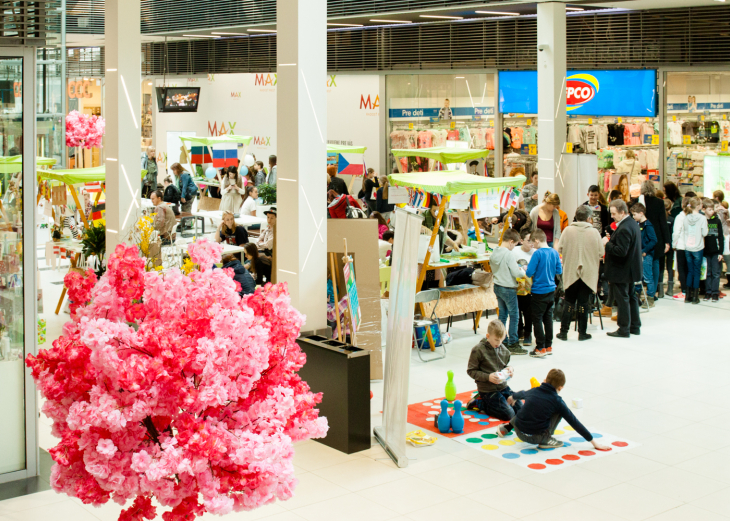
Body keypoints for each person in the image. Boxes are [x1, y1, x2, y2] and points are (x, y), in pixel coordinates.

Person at [497, 369, 610, 451]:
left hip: (518, 430)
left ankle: (507, 428)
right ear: (560, 388)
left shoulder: (534, 390)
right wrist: (594, 442)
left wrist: (512, 397)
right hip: (535, 438)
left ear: (545, 380)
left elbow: (521, 393)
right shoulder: (557, 401)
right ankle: (545, 440)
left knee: (530, 406)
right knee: (558, 410)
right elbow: (574, 422)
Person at [557, 205, 605, 341]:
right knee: (584, 304)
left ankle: (563, 332)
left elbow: (559, 248)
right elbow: (601, 252)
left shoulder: (567, 231)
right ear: (589, 218)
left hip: (571, 271)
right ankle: (582, 333)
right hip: (588, 273)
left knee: (569, 302)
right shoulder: (594, 232)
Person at [465, 320, 521, 421]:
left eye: (501, 340)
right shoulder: (478, 350)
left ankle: (495, 402)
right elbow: (471, 371)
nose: (499, 343)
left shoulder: (504, 350)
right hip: (488, 390)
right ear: (488, 336)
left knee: (521, 409)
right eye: (496, 340)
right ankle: (480, 403)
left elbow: (504, 366)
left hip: (503, 387)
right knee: (509, 414)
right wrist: (488, 377)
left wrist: (510, 369)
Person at [603, 199, 643, 338]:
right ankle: (634, 325)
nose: (612, 216)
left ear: (622, 212)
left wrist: (607, 244)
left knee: (623, 299)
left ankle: (624, 328)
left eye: (614, 213)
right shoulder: (632, 224)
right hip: (630, 269)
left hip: (622, 270)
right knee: (631, 297)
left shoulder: (625, 227)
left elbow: (621, 251)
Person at [490, 229, 528, 354]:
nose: (514, 247)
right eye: (515, 244)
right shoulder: (508, 254)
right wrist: (523, 270)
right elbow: (516, 273)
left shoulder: (494, 251)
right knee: (514, 315)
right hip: (508, 287)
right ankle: (513, 343)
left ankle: (502, 340)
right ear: (511, 242)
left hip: (498, 286)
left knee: (502, 315)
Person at [526, 229, 562, 357]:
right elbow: (559, 269)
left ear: (537, 240)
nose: (532, 245)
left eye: (532, 242)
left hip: (538, 291)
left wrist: (527, 268)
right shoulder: (554, 252)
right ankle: (548, 346)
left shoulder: (537, 254)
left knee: (537, 319)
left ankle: (540, 347)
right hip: (551, 290)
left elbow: (529, 272)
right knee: (548, 319)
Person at [639, 181, 670, 299]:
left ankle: (640, 290)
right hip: (656, 237)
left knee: (642, 264)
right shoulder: (659, 202)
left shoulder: (638, 201)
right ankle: (653, 291)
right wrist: (667, 241)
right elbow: (663, 223)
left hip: (642, 236)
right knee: (655, 263)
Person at [677, 197, 708, 305]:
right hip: (698, 247)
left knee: (689, 271)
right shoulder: (702, 218)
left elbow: (684, 231)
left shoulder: (686, 218)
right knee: (697, 271)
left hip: (687, 247)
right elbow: (704, 233)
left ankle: (688, 296)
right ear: (699, 206)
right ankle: (695, 296)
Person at [630, 203, 658, 307]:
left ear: (641, 214)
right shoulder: (637, 225)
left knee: (647, 277)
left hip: (646, 255)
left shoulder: (648, 225)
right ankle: (636, 296)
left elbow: (654, 240)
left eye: (634, 214)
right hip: (638, 255)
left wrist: (645, 250)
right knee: (638, 276)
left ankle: (650, 298)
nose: (633, 217)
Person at [514, 228, 535, 347]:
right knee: (517, 310)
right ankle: (519, 331)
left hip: (530, 288)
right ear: (521, 240)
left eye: (533, 240)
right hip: (516, 286)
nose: (531, 243)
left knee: (528, 311)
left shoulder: (535, 252)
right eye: (528, 240)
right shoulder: (515, 251)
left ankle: (528, 334)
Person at [703, 199, 725, 302]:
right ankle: (708, 291)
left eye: (713, 209)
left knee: (716, 273)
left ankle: (715, 292)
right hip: (705, 251)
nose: (712, 211)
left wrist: (721, 252)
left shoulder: (717, 221)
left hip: (716, 252)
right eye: (710, 209)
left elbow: (721, 237)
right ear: (704, 209)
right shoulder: (703, 220)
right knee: (708, 272)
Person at [663, 198, 676, 296]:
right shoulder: (672, 219)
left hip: (661, 245)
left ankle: (659, 290)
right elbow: (673, 233)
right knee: (669, 267)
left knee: (660, 267)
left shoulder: (661, 218)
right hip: (670, 245)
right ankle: (670, 288)